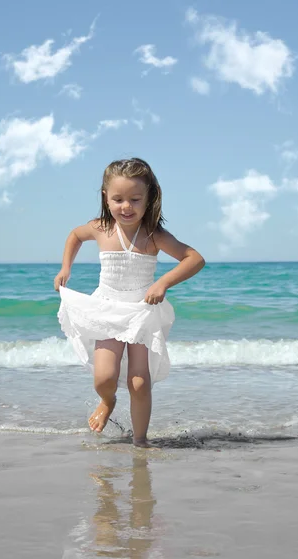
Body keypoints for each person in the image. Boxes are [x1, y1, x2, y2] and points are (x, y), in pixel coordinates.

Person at [54, 158, 205, 447]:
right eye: (118, 199)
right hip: (107, 309)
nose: (126, 206)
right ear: (105, 197)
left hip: (140, 313)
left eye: (135, 199)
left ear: (149, 199)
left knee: (139, 383)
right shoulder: (101, 228)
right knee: (103, 378)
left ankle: (140, 441)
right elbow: (75, 236)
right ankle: (107, 401)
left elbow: (194, 258)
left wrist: (162, 283)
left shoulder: (153, 235)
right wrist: (65, 268)